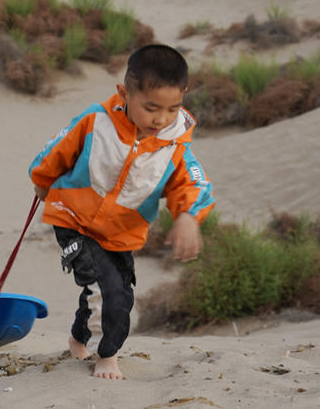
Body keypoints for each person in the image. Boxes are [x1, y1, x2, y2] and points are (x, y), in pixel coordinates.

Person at [28, 44, 214, 380]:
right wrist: (42, 178)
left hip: (122, 234)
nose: (161, 119)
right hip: (73, 219)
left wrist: (188, 216)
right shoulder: (96, 121)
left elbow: (193, 185)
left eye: (173, 109)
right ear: (124, 93)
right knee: (107, 291)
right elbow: (58, 146)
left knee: (119, 292)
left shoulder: (175, 147)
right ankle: (106, 355)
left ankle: (78, 337)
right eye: (151, 108)